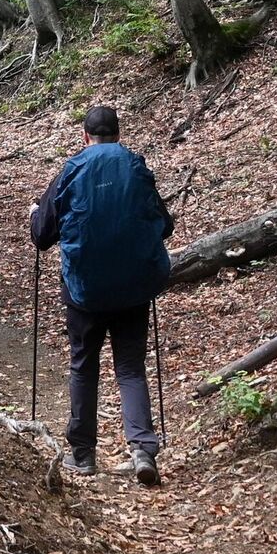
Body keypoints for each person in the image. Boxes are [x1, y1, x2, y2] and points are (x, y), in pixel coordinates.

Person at [30, 104, 173, 485]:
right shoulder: (135, 166)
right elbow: (165, 226)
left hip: (85, 291)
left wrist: (34, 213)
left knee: (83, 365)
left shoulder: (72, 170)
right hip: (134, 288)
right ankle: (143, 450)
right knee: (130, 367)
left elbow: (42, 235)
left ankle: (83, 454)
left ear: (85, 136)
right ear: (118, 134)